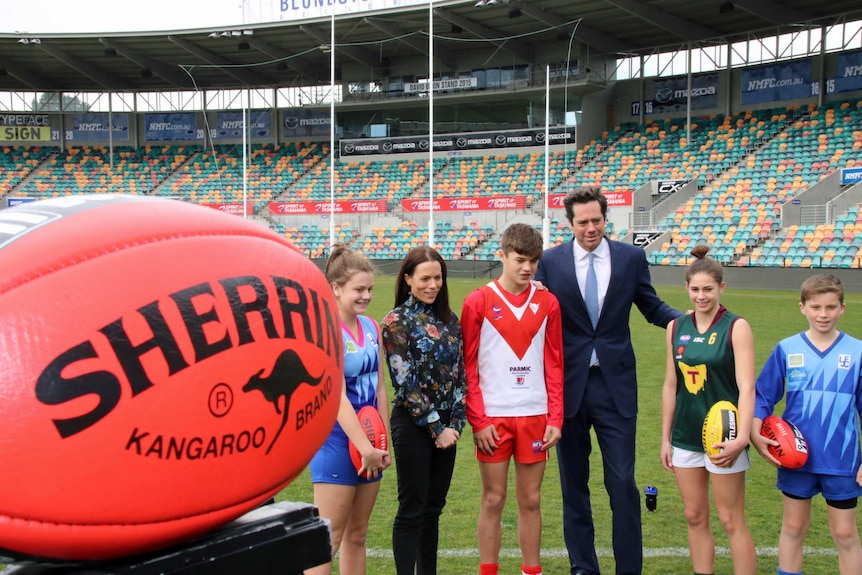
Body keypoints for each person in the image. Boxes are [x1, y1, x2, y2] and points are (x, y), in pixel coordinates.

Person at [534, 186, 681, 575]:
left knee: (622, 484)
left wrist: (696, 323)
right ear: (569, 224)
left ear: (605, 219)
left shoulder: (631, 257)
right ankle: (584, 568)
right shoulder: (551, 262)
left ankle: (628, 569)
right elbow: (534, 316)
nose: (590, 227)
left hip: (616, 388)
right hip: (568, 390)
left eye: (597, 220)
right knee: (574, 489)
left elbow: (651, 307)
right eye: (582, 222)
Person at [461, 223, 564, 575]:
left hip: (535, 415)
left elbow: (554, 362)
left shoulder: (548, 302)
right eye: (520, 260)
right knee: (493, 499)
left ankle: (530, 571)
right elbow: (468, 367)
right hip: (494, 418)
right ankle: (488, 569)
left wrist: (555, 418)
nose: (527, 269)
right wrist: (479, 420)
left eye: (533, 262)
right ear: (501, 255)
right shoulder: (478, 301)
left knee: (531, 500)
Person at [751, 273, 862, 575]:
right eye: (815, 307)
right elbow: (763, 395)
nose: (822, 314)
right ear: (802, 307)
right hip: (795, 458)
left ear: (843, 308)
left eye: (830, 307)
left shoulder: (857, 351)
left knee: (845, 533)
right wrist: (756, 431)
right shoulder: (787, 349)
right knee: (793, 526)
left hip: (842, 461)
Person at [660, 245, 757, 575]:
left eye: (708, 289)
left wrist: (742, 437)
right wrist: (665, 439)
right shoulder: (676, 328)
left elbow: (747, 387)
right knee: (694, 515)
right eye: (695, 289)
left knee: (731, 520)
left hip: (725, 436)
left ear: (721, 288)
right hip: (686, 436)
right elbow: (670, 385)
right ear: (686, 288)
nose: (701, 296)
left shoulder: (736, 326)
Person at [380, 246, 467, 575]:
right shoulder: (395, 322)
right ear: (407, 279)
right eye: (425, 278)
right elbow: (405, 383)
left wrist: (456, 423)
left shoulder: (450, 320)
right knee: (412, 509)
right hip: (413, 425)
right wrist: (437, 428)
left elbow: (461, 375)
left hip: (449, 427)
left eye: (438, 278)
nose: (433, 285)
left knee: (433, 509)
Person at [306, 245, 391, 575]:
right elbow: (336, 398)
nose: (366, 295)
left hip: (370, 441)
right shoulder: (326, 331)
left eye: (369, 288)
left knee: (358, 534)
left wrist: (380, 441)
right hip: (338, 442)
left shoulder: (371, 327)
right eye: (359, 289)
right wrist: (365, 447)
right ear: (336, 288)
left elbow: (380, 386)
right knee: (329, 538)